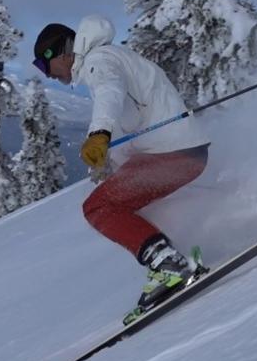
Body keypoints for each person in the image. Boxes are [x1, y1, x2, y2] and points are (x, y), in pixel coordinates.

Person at [33, 15, 210, 308]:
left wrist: (99, 134)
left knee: (98, 207)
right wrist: (111, 163)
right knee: (119, 197)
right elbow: (133, 121)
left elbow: (109, 94)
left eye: (43, 64)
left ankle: (169, 263)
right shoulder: (111, 58)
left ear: (58, 52)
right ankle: (188, 244)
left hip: (174, 154)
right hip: (179, 151)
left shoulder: (98, 61)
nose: (47, 75)